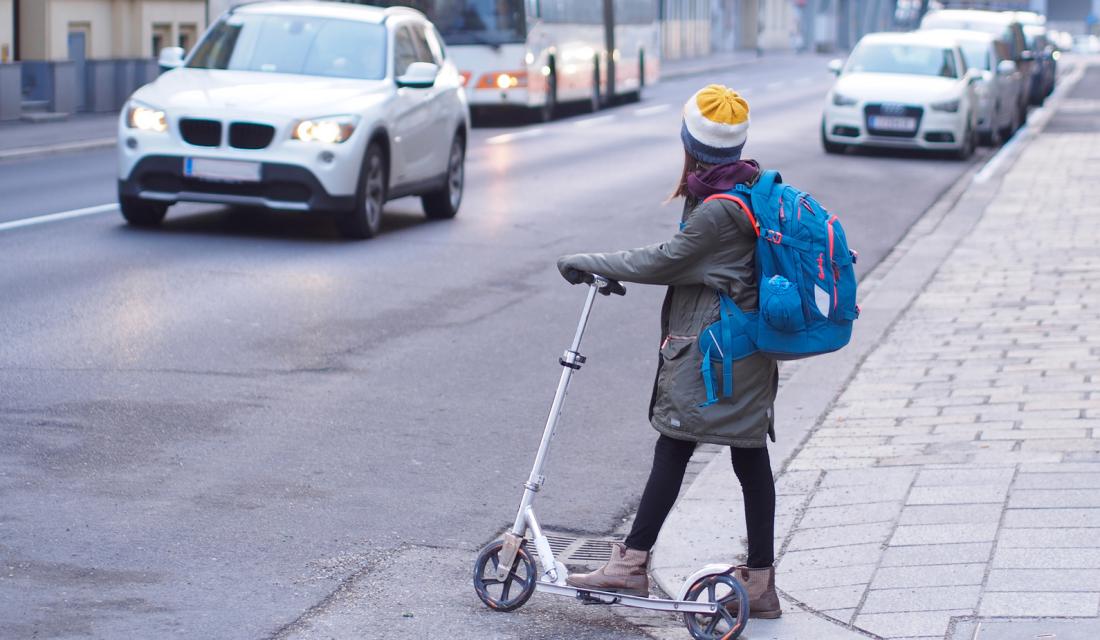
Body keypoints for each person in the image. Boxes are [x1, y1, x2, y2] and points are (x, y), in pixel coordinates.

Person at [555, 84, 781, 619]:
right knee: (747, 455)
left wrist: (588, 260)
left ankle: (630, 566)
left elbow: (663, 261)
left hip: (717, 351)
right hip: (742, 347)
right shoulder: (744, 186)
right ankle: (763, 582)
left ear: (690, 143)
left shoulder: (716, 211)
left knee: (675, 443)